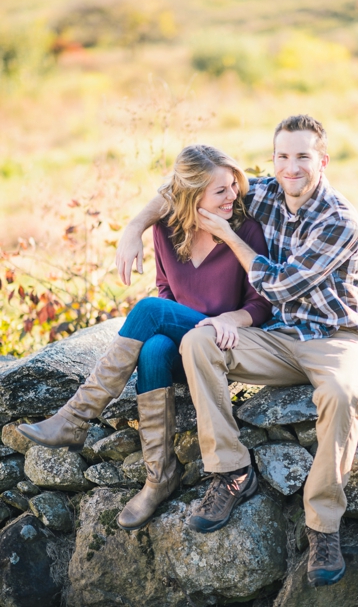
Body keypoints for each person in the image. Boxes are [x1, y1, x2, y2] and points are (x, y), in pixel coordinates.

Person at [115, 114, 358, 587]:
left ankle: (323, 528)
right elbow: (182, 186)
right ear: (273, 160)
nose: (290, 167)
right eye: (282, 156)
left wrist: (228, 235)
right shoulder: (266, 191)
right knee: (199, 339)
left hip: (336, 338)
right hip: (279, 338)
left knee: (340, 396)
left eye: (302, 156)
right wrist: (134, 226)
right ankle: (232, 470)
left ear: (323, 160)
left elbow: (277, 286)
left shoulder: (340, 220)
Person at [17, 145, 271, 531]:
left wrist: (229, 320)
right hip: (182, 344)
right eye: (221, 191)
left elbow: (261, 304)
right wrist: (137, 227)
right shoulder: (166, 230)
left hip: (220, 347)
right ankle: (158, 477)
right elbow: (166, 289)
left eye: (233, 186)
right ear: (191, 194)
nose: (232, 196)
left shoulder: (244, 229)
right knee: (153, 346)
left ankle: (75, 416)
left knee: (149, 310)